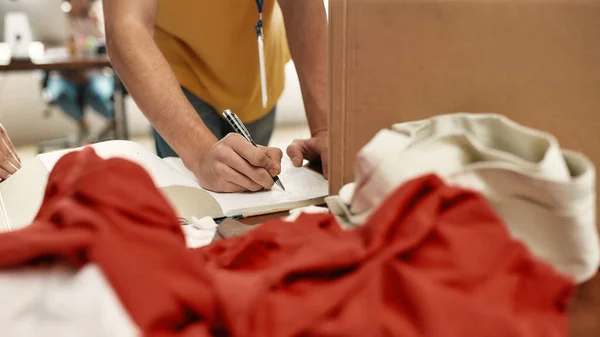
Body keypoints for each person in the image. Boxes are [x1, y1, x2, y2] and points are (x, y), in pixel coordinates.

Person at [102, 0, 328, 193]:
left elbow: (302, 5)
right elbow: (126, 25)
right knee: (207, 203)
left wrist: (324, 129)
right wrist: (200, 153)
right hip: (178, 74)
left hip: (258, 74)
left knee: (249, 186)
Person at [44, 0, 115, 143]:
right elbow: (47, 46)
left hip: (93, 72)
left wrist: (97, 25)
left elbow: (107, 47)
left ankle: (113, 122)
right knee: (61, 94)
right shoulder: (58, 18)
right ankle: (83, 123)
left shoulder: (95, 16)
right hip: (64, 73)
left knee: (97, 94)